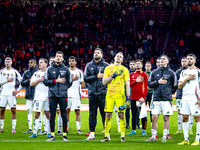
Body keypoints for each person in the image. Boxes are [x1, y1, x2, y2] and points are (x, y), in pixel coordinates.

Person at [100, 52, 130, 142]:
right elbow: (104, 82)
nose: (119, 57)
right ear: (114, 57)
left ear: (122, 60)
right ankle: (106, 136)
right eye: (117, 56)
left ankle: (122, 136)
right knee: (108, 115)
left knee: (121, 115)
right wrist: (113, 76)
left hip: (120, 96)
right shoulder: (108, 68)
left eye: (121, 57)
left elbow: (127, 84)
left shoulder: (125, 69)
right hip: (110, 96)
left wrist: (128, 97)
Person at [147, 55, 177, 142]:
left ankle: (164, 136)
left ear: (167, 61)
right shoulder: (154, 72)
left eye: (164, 59)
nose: (162, 60)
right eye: (161, 59)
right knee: (154, 118)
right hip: (156, 98)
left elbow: (175, 86)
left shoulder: (171, 73)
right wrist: (158, 82)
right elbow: (149, 85)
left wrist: (168, 93)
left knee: (166, 118)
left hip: (166, 99)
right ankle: (153, 136)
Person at [43, 51, 72, 141]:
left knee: (64, 115)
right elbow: (45, 81)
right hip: (52, 95)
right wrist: (56, 81)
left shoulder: (67, 69)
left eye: (60, 56)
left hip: (63, 95)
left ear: (63, 59)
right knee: (52, 115)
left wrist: (63, 88)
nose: (58, 58)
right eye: (57, 56)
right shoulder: (49, 69)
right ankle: (52, 135)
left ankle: (64, 135)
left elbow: (70, 82)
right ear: (55, 58)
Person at [84, 48, 109, 140]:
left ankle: (107, 135)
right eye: (95, 52)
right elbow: (85, 78)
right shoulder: (88, 65)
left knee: (104, 114)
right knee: (92, 114)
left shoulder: (107, 66)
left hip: (103, 94)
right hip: (92, 94)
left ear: (102, 55)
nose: (96, 54)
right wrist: (96, 76)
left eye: (98, 52)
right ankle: (92, 134)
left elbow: (110, 79)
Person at [178, 54, 200, 146]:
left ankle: (197, 140)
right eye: (187, 59)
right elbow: (179, 86)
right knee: (185, 118)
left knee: (197, 118)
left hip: (194, 97)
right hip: (185, 98)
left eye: (191, 59)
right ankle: (186, 139)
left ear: (195, 61)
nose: (189, 60)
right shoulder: (183, 72)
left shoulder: (198, 71)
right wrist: (187, 79)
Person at [29, 58, 51, 138]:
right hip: (38, 97)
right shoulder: (36, 74)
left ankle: (49, 132)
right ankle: (34, 132)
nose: (40, 64)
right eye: (39, 62)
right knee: (37, 114)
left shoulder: (49, 73)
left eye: (41, 62)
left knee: (48, 114)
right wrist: (39, 80)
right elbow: (31, 84)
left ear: (46, 64)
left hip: (48, 97)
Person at [0, 57, 22, 133]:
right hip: (3, 93)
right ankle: (1, 128)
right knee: (1, 110)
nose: (7, 63)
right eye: (6, 62)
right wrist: (7, 80)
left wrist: (17, 90)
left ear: (11, 63)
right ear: (4, 63)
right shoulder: (1, 71)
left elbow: (21, 81)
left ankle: (13, 129)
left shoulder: (15, 72)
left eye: (8, 62)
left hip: (11, 94)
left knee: (13, 110)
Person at [128, 59, 148, 136]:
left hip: (141, 98)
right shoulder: (131, 74)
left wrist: (143, 97)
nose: (137, 65)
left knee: (143, 114)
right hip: (133, 97)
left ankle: (143, 130)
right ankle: (133, 130)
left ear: (142, 65)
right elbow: (129, 85)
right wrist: (136, 81)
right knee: (133, 114)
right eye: (136, 64)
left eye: (139, 64)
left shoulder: (145, 75)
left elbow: (146, 87)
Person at [67, 56, 85, 134]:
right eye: (70, 61)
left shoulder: (79, 72)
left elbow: (83, 84)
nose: (71, 62)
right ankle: (66, 128)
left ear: (75, 62)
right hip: (67, 94)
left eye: (73, 61)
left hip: (76, 95)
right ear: (68, 62)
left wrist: (78, 88)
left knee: (77, 111)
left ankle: (78, 129)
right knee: (67, 111)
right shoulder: (66, 71)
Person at [175, 57, 193, 135]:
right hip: (180, 94)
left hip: (190, 94)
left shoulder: (193, 71)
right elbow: (175, 84)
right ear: (181, 62)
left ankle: (190, 129)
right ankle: (179, 129)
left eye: (185, 61)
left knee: (190, 112)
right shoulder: (178, 72)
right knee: (179, 112)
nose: (184, 62)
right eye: (183, 61)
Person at [21, 59, 38, 133]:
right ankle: (30, 128)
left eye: (31, 63)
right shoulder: (26, 73)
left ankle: (39, 129)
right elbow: (22, 83)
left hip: (37, 95)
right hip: (29, 95)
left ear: (35, 64)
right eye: (29, 63)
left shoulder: (38, 72)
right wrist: (28, 80)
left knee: (38, 111)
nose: (29, 64)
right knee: (29, 111)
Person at [126, 61, 136, 129]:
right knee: (127, 109)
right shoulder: (126, 73)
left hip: (135, 94)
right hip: (127, 95)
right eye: (131, 64)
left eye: (133, 64)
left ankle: (137, 124)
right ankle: (127, 124)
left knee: (136, 110)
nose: (132, 66)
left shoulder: (137, 73)